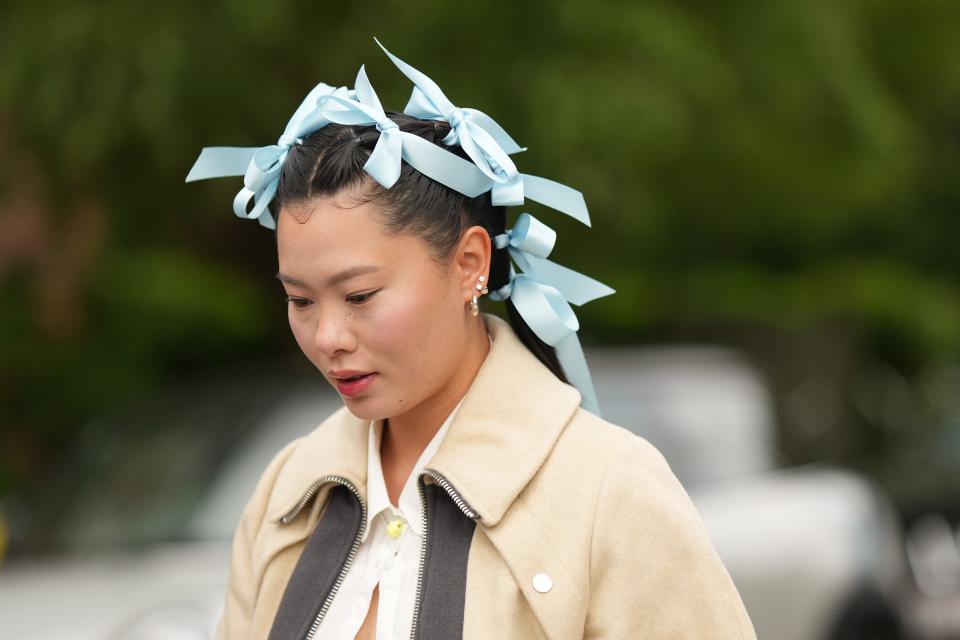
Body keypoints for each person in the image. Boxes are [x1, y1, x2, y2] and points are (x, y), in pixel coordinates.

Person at [187, 38, 757, 640]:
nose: (328, 337)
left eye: (359, 297)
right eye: (299, 300)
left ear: (468, 264)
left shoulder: (609, 492)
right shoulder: (288, 490)